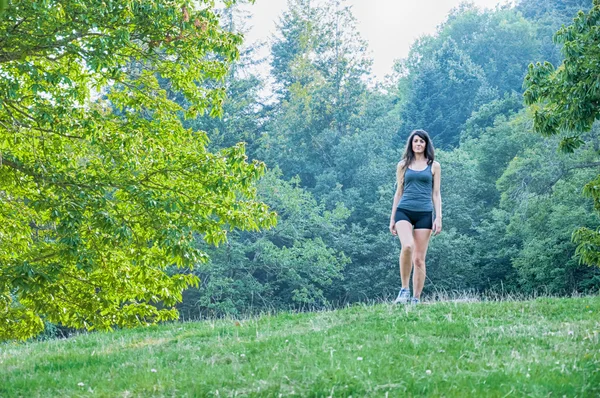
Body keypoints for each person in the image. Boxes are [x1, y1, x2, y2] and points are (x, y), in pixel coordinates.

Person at [389, 129, 442, 305]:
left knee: (419, 259)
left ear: (426, 144)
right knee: (407, 246)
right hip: (404, 210)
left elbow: (436, 194)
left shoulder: (434, 166)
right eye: (415, 141)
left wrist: (438, 217)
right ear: (411, 144)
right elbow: (398, 192)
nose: (418, 144)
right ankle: (404, 290)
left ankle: (416, 299)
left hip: (424, 213)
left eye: (421, 141)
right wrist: (392, 218)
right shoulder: (402, 165)